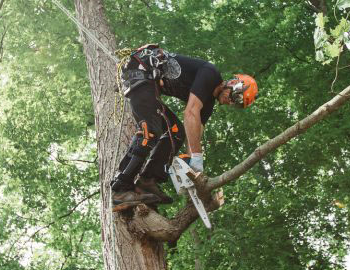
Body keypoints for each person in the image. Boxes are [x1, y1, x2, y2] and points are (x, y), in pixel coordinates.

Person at [110, 44, 257, 207]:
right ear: (233, 83)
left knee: (176, 131)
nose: (231, 102)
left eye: (236, 104)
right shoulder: (211, 74)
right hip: (140, 71)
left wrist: (194, 172)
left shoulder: (207, 104)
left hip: (149, 84)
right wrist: (196, 158)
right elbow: (190, 114)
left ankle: (147, 182)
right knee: (151, 131)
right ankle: (121, 188)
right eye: (235, 97)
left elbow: (194, 135)